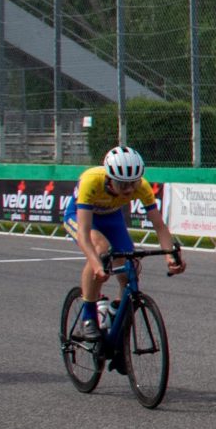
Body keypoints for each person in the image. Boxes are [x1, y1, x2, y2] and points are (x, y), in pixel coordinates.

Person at [64, 146, 184, 347]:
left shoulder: (142, 186)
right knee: (100, 249)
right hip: (81, 217)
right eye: (122, 184)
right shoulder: (91, 181)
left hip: (111, 218)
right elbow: (84, 235)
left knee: (131, 265)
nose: (128, 189)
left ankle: (115, 312)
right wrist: (96, 265)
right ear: (109, 178)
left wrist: (170, 256)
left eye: (133, 183)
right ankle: (88, 316)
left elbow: (159, 226)